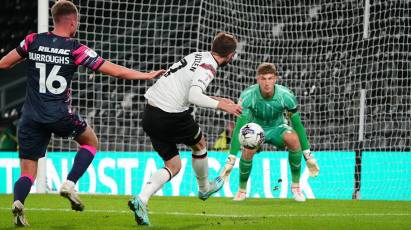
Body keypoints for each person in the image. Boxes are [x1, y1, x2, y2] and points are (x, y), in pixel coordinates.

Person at [0, 0, 164, 227]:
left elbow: (4, 64)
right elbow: (115, 71)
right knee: (90, 141)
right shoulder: (75, 48)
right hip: (58, 113)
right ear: (72, 22)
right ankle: (69, 183)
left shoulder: (32, 40)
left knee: (27, 171)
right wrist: (146, 75)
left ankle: (19, 203)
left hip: (30, 115)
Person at [129, 32, 242, 225]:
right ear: (230, 55)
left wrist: (219, 99)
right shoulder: (209, 66)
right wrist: (221, 105)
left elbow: (183, 89)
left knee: (173, 165)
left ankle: (142, 198)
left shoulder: (196, 56)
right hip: (170, 114)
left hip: (150, 113)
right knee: (200, 145)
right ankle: (205, 187)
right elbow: (194, 96)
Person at [219, 63, 319, 202]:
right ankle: (241, 191)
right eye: (263, 78)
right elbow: (240, 127)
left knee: (293, 139)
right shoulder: (248, 96)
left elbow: (297, 125)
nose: (267, 83)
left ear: (275, 79)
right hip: (255, 130)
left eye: (270, 78)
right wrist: (231, 159)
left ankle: (296, 188)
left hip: (278, 128)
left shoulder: (286, 96)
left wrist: (308, 156)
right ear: (257, 79)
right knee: (248, 150)